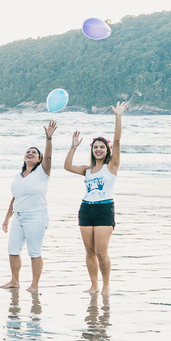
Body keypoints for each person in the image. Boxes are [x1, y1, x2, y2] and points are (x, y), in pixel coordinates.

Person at [65, 102, 128, 295]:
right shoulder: (88, 170)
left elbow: (116, 141)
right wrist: (73, 147)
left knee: (101, 252)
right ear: (92, 149)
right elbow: (67, 166)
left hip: (104, 209)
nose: (98, 149)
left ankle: (106, 285)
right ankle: (94, 285)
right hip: (86, 209)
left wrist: (118, 116)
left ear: (107, 150)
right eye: (95, 147)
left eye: (102, 147)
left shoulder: (112, 166)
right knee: (89, 252)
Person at [0, 121, 56, 292]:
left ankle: (34, 285)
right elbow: (15, 198)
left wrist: (48, 138)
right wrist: (7, 218)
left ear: (39, 159)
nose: (30, 154)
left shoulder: (42, 172)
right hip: (19, 217)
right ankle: (15, 281)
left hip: (36, 216)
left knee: (34, 251)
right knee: (13, 250)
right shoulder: (18, 176)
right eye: (28, 152)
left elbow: (48, 157)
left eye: (34, 153)